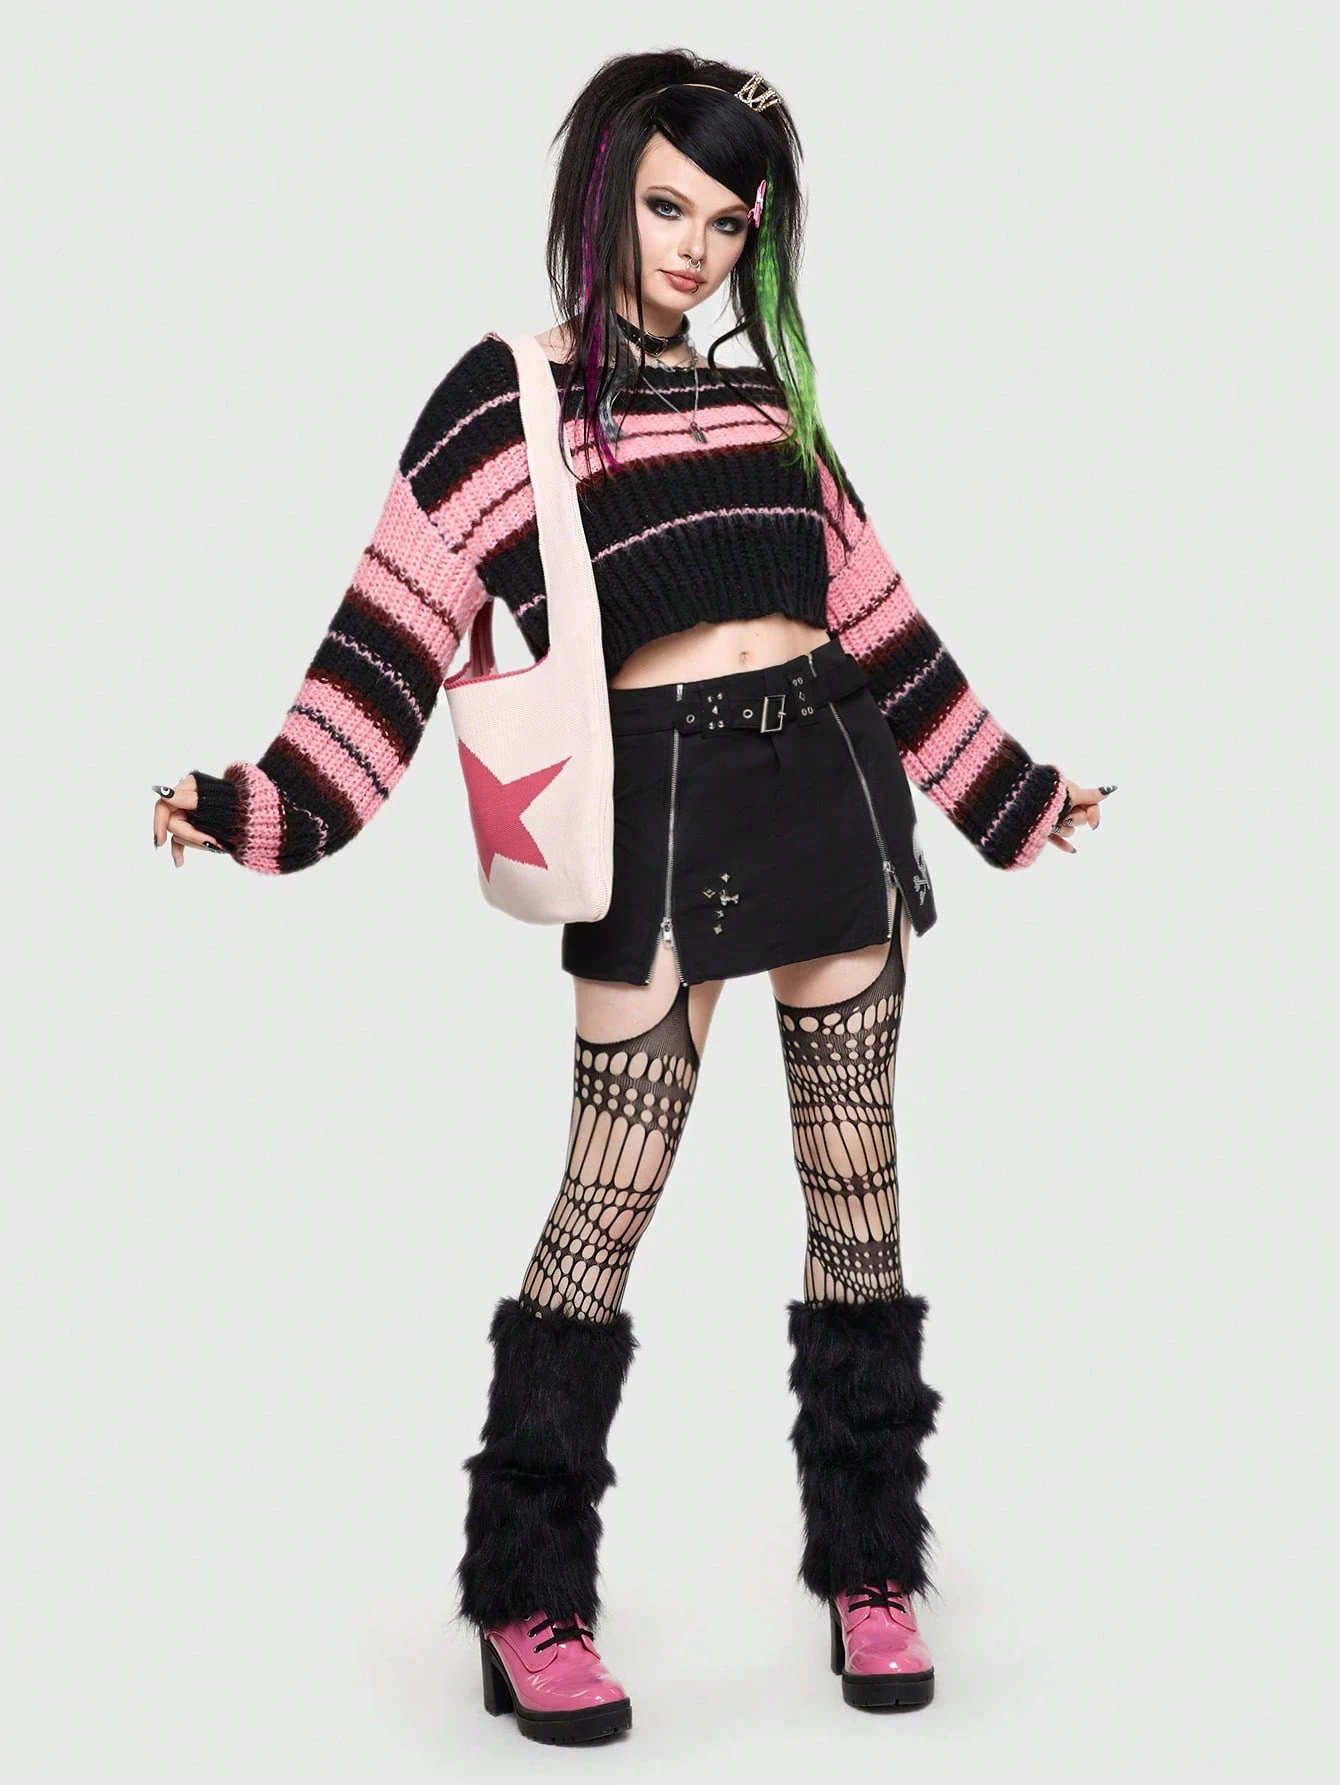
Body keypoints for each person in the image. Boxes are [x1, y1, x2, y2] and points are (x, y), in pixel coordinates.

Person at [152, 51, 1110, 1745]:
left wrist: (1012, 790)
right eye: (670, 206)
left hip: (833, 784)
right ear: (601, 191)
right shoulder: (507, 401)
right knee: (607, 1198)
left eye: (728, 225)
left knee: (860, 1191)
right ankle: (528, 1593)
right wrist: (262, 806)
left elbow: (880, 618)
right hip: (662, 811)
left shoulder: (762, 405)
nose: (694, 249)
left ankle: (869, 1569)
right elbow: (390, 632)